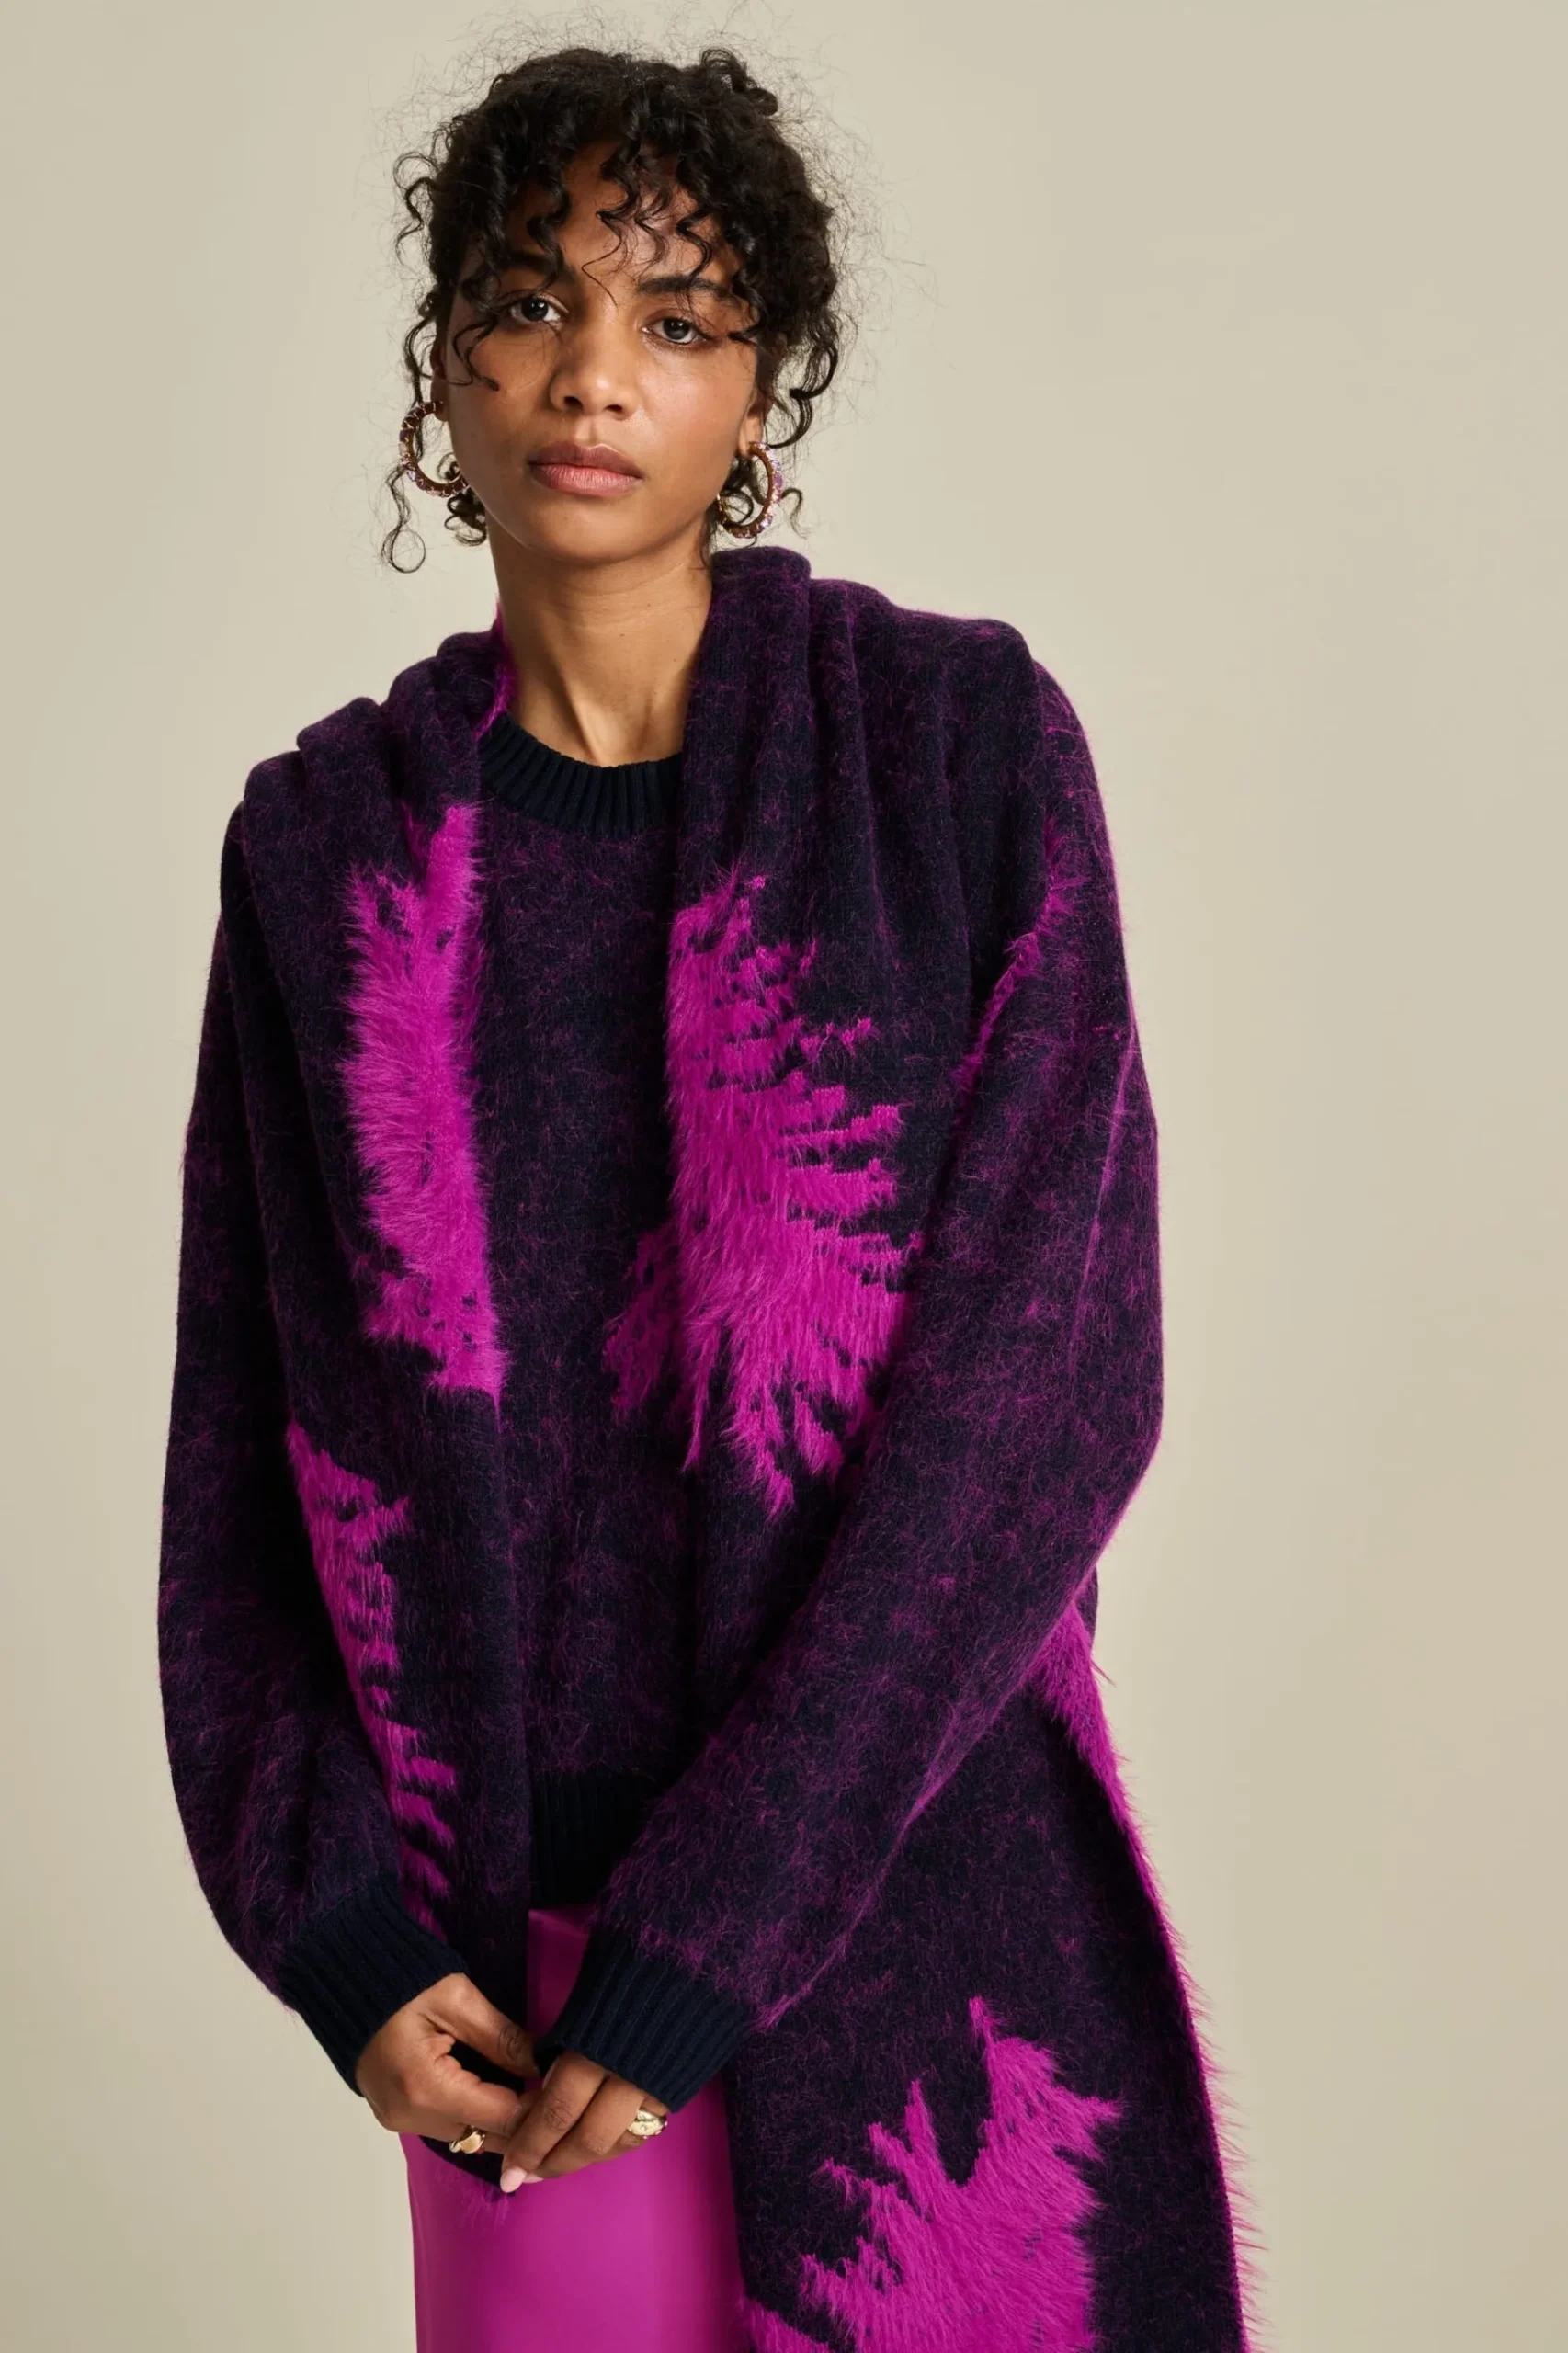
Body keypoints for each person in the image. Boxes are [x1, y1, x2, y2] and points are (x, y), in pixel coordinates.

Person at [156, 40, 1261, 2353]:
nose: (592, 374)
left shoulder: (956, 755)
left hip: (910, 1899)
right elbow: (244, 1456)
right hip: (508, 1985)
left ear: (761, 391)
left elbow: (1046, 1393)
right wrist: (336, 1936)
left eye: (674, 319)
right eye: (529, 302)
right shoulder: (326, 852)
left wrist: (723, 1919)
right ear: (442, 368)